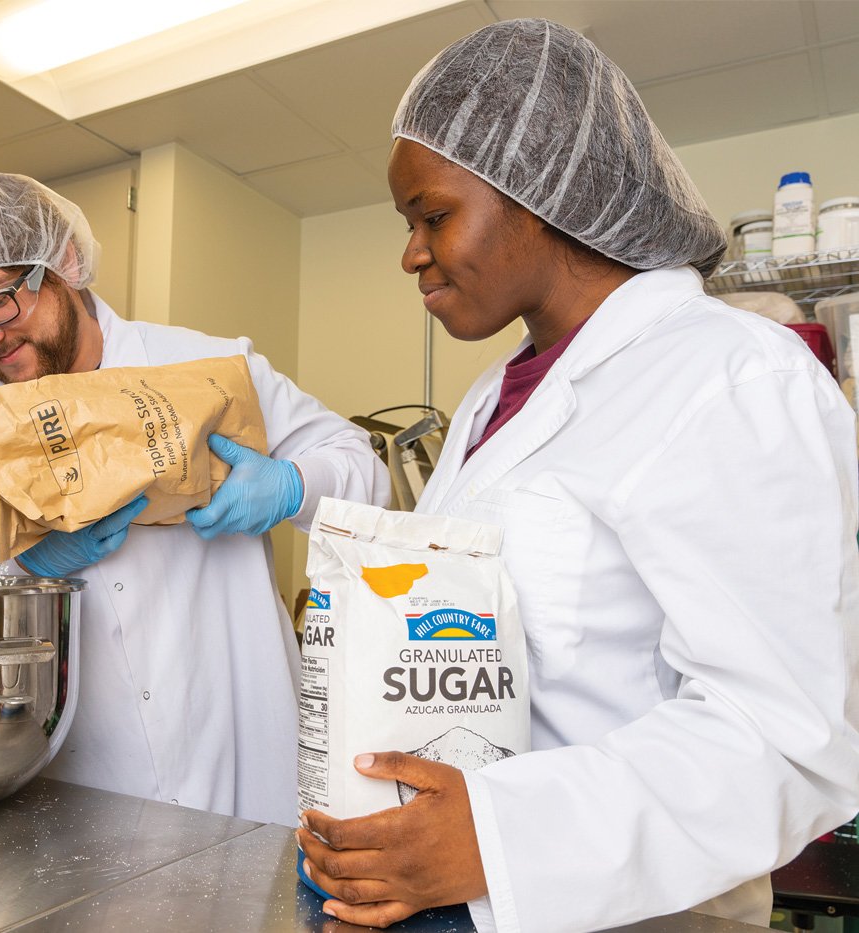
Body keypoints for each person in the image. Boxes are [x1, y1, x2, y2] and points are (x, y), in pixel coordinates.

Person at [295, 18, 859, 932]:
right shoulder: (493, 396)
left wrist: (499, 835)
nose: (411, 252)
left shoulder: (732, 374)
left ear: (539, 195)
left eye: (432, 215)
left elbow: (787, 737)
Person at [0, 171, 391, 826]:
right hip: (77, 799)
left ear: (61, 263)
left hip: (246, 778)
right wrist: (19, 572)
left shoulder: (208, 369)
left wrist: (289, 487)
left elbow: (365, 476)